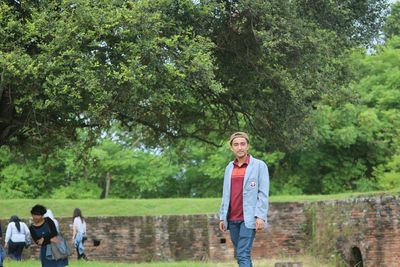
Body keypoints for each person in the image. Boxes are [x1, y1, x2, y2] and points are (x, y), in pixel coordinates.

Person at [219, 132, 269, 267]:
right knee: (242, 254)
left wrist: (260, 216)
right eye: (236, 144)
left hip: (249, 218)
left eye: (242, 144)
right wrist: (222, 216)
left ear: (248, 146)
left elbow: (263, 193)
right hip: (232, 219)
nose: (239, 147)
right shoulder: (229, 168)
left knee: (242, 254)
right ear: (231, 148)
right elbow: (225, 194)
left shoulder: (259, 166)